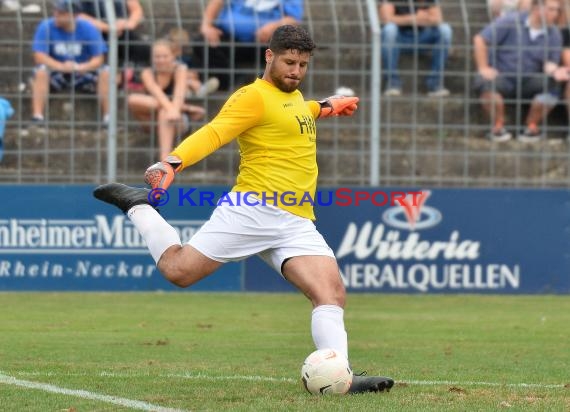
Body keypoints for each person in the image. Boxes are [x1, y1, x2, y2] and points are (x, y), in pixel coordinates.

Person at [94, 24, 394, 394]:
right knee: (178, 271)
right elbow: (215, 132)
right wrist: (171, 164)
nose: (295, 71)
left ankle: (340, 377)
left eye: (302, 64)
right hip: (251, 210)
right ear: (269, 56)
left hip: (296, 219)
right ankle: (138, 207)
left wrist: (326, 107)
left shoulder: (295, 97)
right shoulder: (251, 97)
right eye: (288, 62)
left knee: (330, 294)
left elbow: (295, 112)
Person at [473, 0, 568, 142]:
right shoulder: (511, 21)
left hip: (529, 80)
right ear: (537, 8)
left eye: (557, 10)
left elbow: (550, 63)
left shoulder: (554, 34)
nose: (556, 14)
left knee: (554, 85)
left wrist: (555, 71)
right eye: (552, 9)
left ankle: (531, 126)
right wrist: (483, 67)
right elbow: (480, 39)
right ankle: (498, 126)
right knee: (484, 81)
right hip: (502, 75)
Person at [30, 0, 109, 126]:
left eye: (61, 13)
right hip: (56, 71)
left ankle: (108, 118)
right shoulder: (46, 26)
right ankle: (37, 117)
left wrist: (81, 67)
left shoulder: (88, 28)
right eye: (56, 11)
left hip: (82, 71)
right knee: (41, 71)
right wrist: (61, 66)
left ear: (74, 16)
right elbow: (39, 56)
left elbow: (99, 58)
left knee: (106, 72)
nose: (56, 14)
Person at [194, 0, 304, 90]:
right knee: (202, 42)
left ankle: (270, 85)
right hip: (230, 38)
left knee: (289, 46)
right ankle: (231, 80)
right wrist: (206, 26)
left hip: (266, 42)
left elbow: (293, 19)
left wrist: (274, 27)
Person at [127, 39, 206, 160]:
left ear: (173, 56)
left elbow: (178, 95)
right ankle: (165, 164)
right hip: (153, 121)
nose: (161, 60)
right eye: (157, 57)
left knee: (165, 113)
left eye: (165, 56)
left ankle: (164, 161)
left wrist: (174, 110)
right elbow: (156, 92)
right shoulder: (147, 72)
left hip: (177, 121)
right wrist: (178, 108)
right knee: (133, 99)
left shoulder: (180, 69)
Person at [378, 0, 453, 97]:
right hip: (399, 39)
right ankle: (392, 83)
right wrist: (415, 18)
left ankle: (435, 84)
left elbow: (437, 19)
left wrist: (400, 19)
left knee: (445, 30)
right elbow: (387, 19)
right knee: (389, 30)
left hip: (423, 37)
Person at [78, 0, 149, 67]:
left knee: (144, 50)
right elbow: (77, 15)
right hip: (92, 34)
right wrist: (108, 28)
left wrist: (129, 23)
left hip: (122, 32)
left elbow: (136, 10)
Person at [167, 27, 220, 99]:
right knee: (186, 83)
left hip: (189, 80)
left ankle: (198, 91)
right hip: (177, 82)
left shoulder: (188, 57)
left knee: (211, 81)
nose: (175, 45)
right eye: (173, 41)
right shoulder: (167, 57)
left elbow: (194, 73)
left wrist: (189, 76)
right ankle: (194, 93)